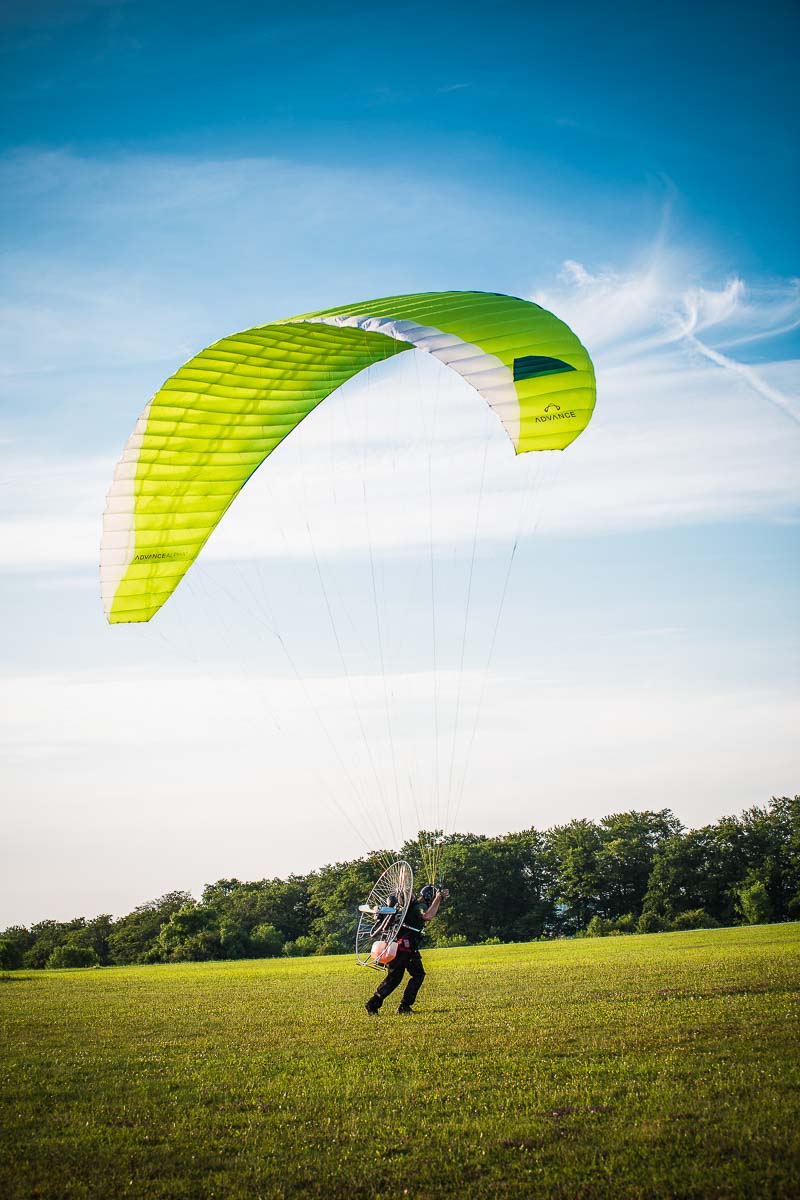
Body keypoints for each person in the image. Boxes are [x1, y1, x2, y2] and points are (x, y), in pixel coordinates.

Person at [365, 885, 449, 1016]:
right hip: (406, 948)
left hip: (398, 947)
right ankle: (404, 1006)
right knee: (417, 975)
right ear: (430, 898)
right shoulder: (420, 906)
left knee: (395, 978)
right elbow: (427, 916)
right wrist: (438, 898)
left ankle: (373, 1004)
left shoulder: (410, 907)